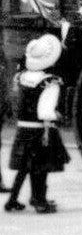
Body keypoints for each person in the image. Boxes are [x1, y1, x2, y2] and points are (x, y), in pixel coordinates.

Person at [5, 35, 69, 214]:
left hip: (23, 129)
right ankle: (39, 201)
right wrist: (57, 115)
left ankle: (12, 200)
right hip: (40, 131)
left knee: (23, 168)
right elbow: (45, 111)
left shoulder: (21, 77)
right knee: (41, 169)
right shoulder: (49, 82)